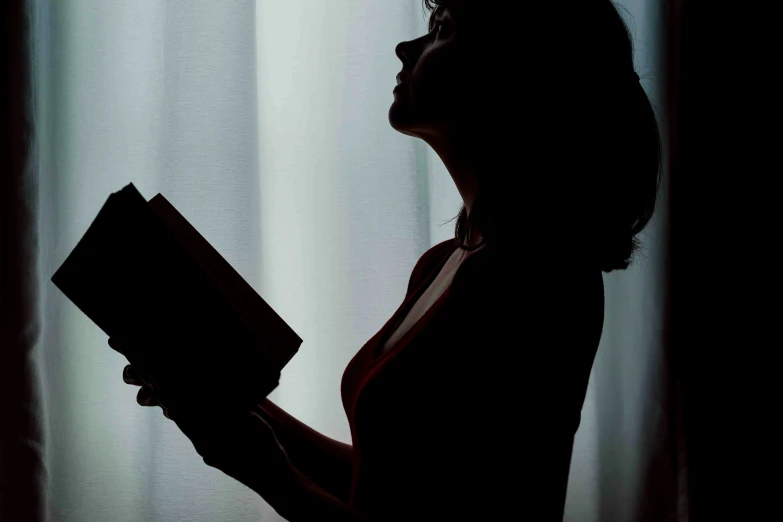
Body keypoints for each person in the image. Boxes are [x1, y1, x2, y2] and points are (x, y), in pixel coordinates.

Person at [113, 1, 661, 520]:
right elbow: (394, 486)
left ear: (512, 73)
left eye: (442, 28)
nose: (405, 46)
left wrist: (272, 482)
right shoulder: (447, 262)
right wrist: (222, 400)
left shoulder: (537, 282)